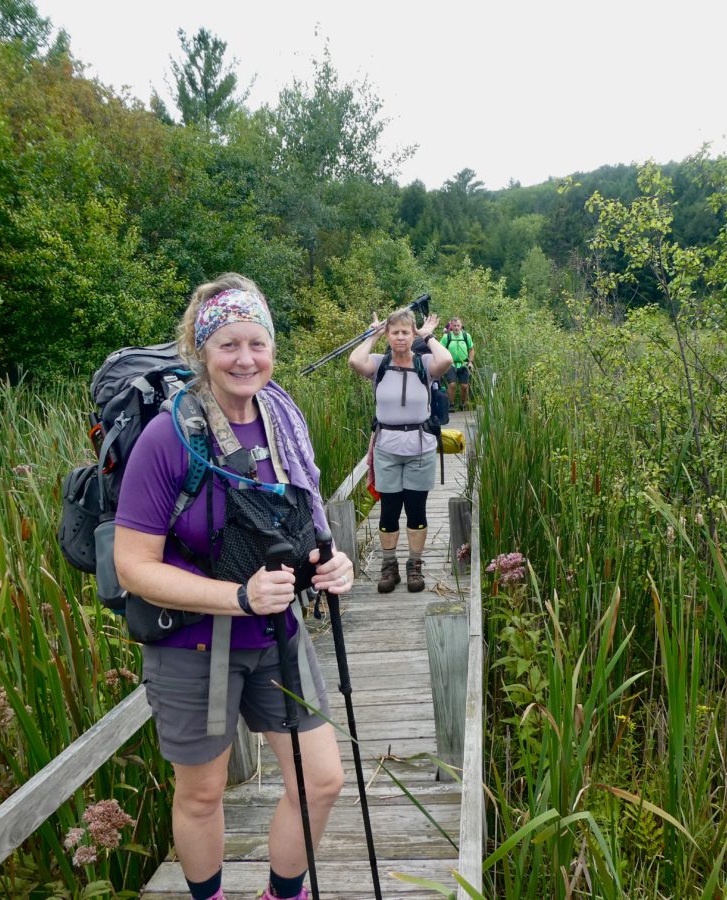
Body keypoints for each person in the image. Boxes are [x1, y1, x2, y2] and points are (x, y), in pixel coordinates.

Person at [115, 274, 351, 900]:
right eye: (227, 344)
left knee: (320, 780)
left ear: (272, 346)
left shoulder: (283, 417)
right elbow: (133, 566)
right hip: (192, 642)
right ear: (200, 350)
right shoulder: (167, 438)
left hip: (277, 631)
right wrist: (237, 598)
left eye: (257, 342)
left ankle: (282, 893)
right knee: (202, 793)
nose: (246, 358)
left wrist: (331, 563)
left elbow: (302, 517)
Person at [347, 307, 452, 593]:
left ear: (412, 333)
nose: (401, 338)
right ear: (388, 336)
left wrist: (427, 336)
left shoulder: (425, 363)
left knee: (416, 510)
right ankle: (389, 566)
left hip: (420, 447)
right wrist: (372, 334)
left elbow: (447, 360)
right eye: (395, 333)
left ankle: (415, 566)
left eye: (406, 332)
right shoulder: (379, 364)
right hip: (387, 448)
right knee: (389, 511)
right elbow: (354, 360)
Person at [440, 317, 475, 410]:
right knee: (452, 385)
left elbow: (471, 349)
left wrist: (470, 362)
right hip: (450, 364)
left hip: (464, 364)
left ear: (461, 326)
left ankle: (463, 404)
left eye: (458, 325)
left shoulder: (466, 336)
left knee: (464, 386)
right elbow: (440, 350)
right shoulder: (446, 337)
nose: (456, 327)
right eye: (454, 325)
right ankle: (450, 405)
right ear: (451, 326)